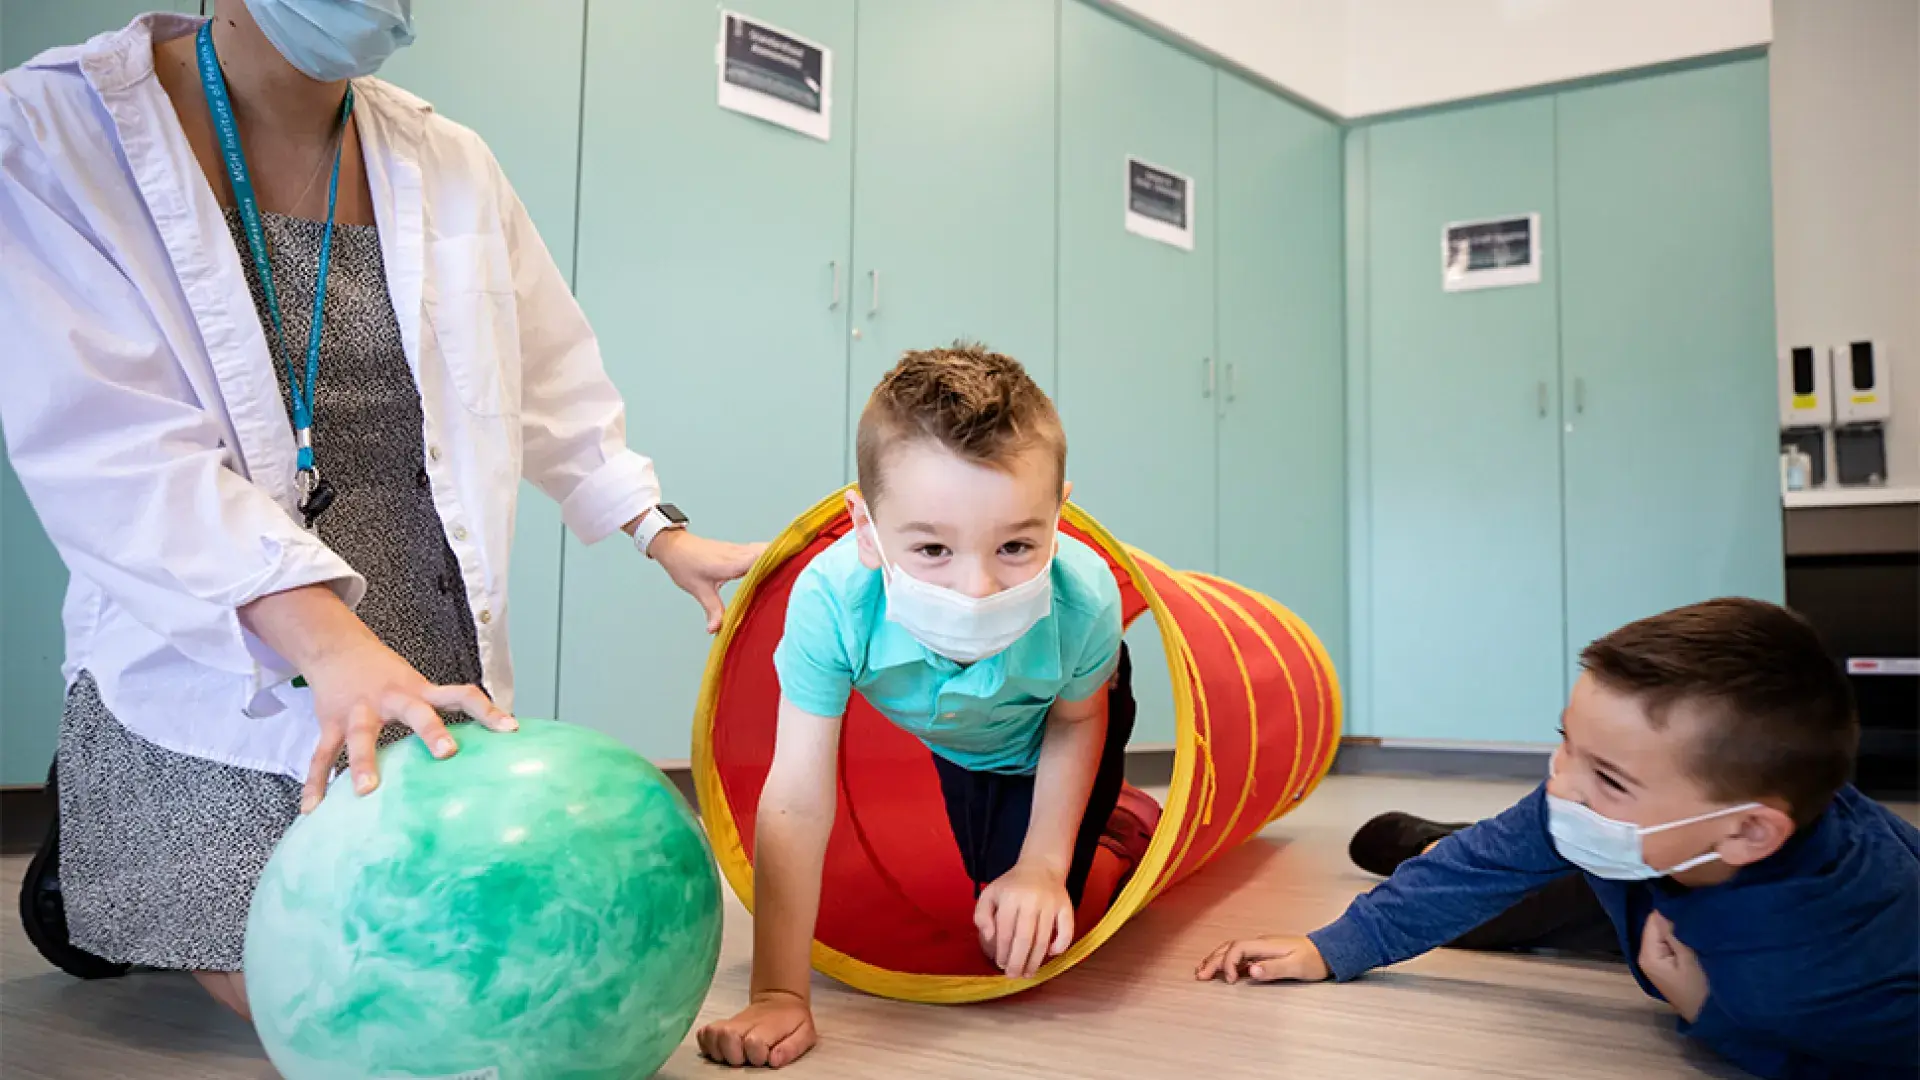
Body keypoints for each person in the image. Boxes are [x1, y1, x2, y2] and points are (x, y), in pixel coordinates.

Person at [0, 0, 762, 1019]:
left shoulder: (447, 158)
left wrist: (658, 529)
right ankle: (90, 859)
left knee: (475, 947)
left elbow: (549, 373)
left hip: (418, 667)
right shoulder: (54, 130)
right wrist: (327, 646)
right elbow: (114, 449)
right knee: (341, 989)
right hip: (214, 664)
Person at [1195, 598, 1920, 1080]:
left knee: (1532, 884)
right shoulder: (1650, 816)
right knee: (1490, 869)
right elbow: (1487, 863)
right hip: (1656, 872)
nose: (1561, 781)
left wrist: (1713, 1013)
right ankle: (1433, 842)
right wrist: (1332, 946)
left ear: (1747, 830)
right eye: (1564, 743)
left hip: (1691, 903)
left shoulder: (1820, 974)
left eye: (1606, 776)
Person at [695, 345, 1157, 1069]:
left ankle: (1123, 826)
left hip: (1062, 723)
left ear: (1059, 518)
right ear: (864, 529)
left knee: (1046, 925)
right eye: (934, 549)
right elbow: (796, 797)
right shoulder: (831, 602)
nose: (976, 590)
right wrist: (780, 988)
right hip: (960, 738)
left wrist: (1042, 863)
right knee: (988, 913)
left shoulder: (1084, 595)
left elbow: (1077, 721)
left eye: (1014, 545)